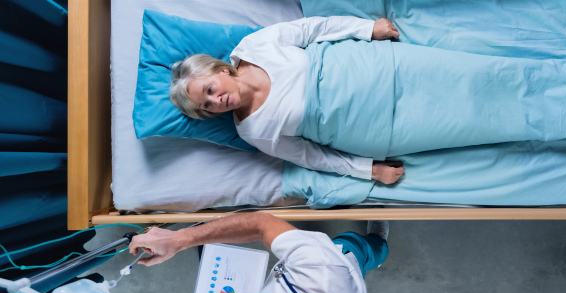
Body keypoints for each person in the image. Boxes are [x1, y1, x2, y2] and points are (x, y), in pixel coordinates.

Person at [170, 17, 405, 185]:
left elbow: (313, 29)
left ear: (221, 70)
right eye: (207, 106)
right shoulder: (252, 131)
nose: (216, 101)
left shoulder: (252, 47)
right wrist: (369, 171)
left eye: (210, 90)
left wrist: (366, 28)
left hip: (376, 66)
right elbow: (312, 157)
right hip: (377, 125)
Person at [129, 212, 390, 293]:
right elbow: (261, 223)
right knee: (361, 248)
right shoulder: (322, 265)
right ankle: (378, 242)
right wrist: (181, 239)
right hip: (346, 261)